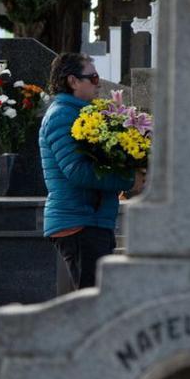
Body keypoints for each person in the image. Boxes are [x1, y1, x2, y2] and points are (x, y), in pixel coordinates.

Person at [40, 53, 145, 291]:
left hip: (91, 219)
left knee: (94, 302)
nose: (99, 84)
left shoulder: (81, 113)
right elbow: (77, 171)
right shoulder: (62, 116)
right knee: (91, 305)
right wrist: (128, 179)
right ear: (73, 81)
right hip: (79, 221)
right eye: (93, 78)